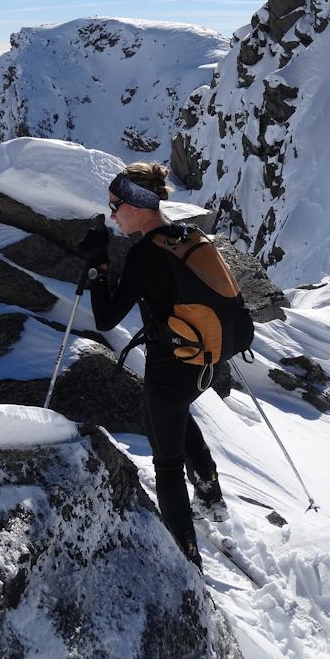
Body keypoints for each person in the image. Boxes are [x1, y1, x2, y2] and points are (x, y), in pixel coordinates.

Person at [80, 161, 229, 569]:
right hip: (206, 361)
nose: (112, 214)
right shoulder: (187, 235)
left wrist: (97, 267)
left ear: (135, 202)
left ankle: (186, 558)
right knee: (176, 413)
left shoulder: (146, 252)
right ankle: (210, 491)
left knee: (165, 462)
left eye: (115, 205)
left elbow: (106, 318)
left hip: (171, 367)